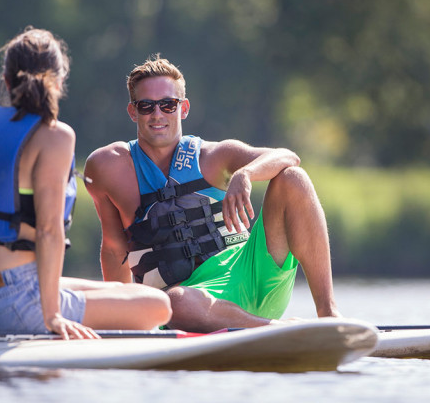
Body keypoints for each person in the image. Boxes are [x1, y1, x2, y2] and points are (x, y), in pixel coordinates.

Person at [84, 55, 341, 333]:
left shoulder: (214, 156)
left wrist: (245, 174)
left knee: (292, 178)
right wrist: (119, 326)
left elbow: (287, 156)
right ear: (133, 112)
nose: (157, 114)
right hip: (190, 304)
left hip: (251, 273)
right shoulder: (107, 166)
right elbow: (113, 248)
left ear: (183, 109)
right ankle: (276, 330)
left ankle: (328, 314)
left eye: (168, 104)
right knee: (176, 301)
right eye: (146, 106)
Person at [0, 27, 171, 339]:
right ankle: (55, 313)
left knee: (122, 290)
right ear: (59, 80)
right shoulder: (54, 136)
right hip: (18, 305)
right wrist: (52, 316)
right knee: (158, 305)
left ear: (7, 80)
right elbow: (49, 231)